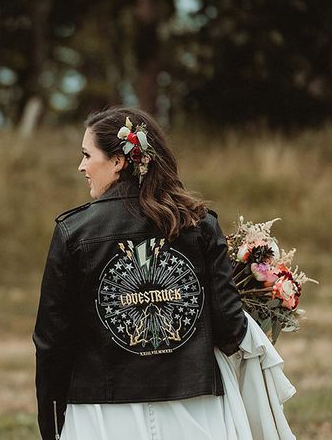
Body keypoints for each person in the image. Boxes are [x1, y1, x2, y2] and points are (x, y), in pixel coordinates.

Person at [33, 107, 294, 440]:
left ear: (118, 161)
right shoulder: (198, 225)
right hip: (195, 404)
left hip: (102, 413)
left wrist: (50, 421)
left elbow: (52, 343)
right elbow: (230, 330)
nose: (81, 166)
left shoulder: (74, 233)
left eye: (87, 155)